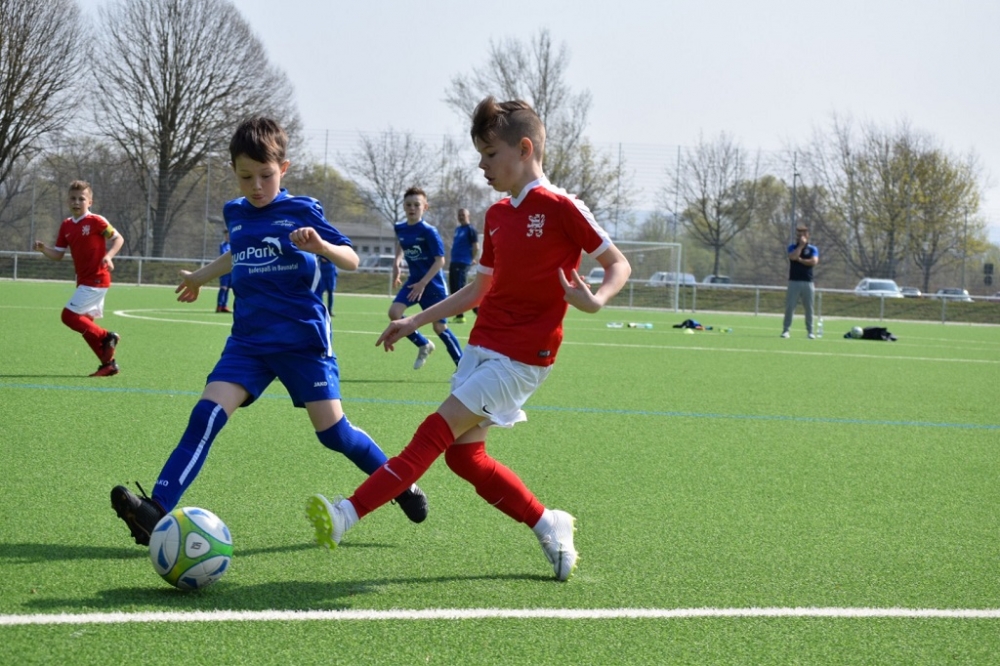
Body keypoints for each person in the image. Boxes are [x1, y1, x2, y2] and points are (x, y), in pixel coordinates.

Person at [305, 97, 632, 581]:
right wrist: (414, 321)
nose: (482, 165)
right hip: (482, 348)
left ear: (525, 149)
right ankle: (548, 522)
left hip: (523, 358)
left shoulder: (562, 207)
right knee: (465, 458)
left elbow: (618, 263)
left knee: (434, 432)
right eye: (480, 155)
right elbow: (478, 291)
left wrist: (597, 298)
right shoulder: (496, 214)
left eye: (490, 154)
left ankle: (346, 513)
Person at [110, 117, 427, 546]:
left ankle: (399, 483)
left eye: (266, 175)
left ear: (284, 169)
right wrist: (201, 277)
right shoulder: (236, 212)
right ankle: (156, 511)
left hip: (302, 341)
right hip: (249, 342)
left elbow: (351, 259)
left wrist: (321, 247)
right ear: (234, 172)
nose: (256, 186)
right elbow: (239, 253)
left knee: (334, 434)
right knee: (206, 416)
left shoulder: (302, 210)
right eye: (246, 177)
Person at [34, 180, 124, 377]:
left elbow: (118, 238)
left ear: (90, 202)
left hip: (97, 279)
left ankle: (108, 336)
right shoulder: (66, 225)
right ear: (68, 201)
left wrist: (109, 256)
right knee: (86, 326)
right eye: (73, 198)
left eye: (81, 199)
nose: (76, 202)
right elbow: (58, 254)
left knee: (69, 317)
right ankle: (108, 365)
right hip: (83, 281)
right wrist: (43, 249)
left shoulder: (96, 221)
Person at [388, 186, 463, 369]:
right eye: (408, 205)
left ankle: (462, 367)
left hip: (433, 285)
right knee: (394, 313)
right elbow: (401, 243)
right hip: (413, 282)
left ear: (425, 207)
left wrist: (423, 283)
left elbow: (440, 261)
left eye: (416, 205)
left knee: (439, 327)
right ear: (404, 206)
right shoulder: (400, 228)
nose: (412, 208)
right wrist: (397, 263)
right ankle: (423, 344)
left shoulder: (429, 231)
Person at [781, 224, 819, 338]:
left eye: (802, 235)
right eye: (798, 235)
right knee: (790, 307)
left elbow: (813, 261)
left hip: (808, 282)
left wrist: (801, 260)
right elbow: (793, 257)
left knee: (809, 308)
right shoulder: (792, 247)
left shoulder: (812, 249)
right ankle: (786, 330)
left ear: (807, 235)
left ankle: (810, 331)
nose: (799, 237)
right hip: (794, 281)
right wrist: (801, 247)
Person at [448, 207, 479, 323]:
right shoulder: (458, 229)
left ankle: (463, 315)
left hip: (462, 262)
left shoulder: (471, 230)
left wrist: (471, 259)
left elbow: (476, 247)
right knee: (454, 289)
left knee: (460, 289)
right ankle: (460, 314)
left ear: (468, 216)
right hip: (454, 261)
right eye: (459, 215)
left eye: (463, 215)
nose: (461, 217)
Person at [216, 228, 233, 313]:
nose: (227, 237)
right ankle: (219, 305)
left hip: (231, 270)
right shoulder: (223, 245)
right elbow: (224, 255)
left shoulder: (232, 244)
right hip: (224, 270)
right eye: (226, 235)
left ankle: (224, 306)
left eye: (229, 235)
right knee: (223, 288)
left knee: (228, 288)